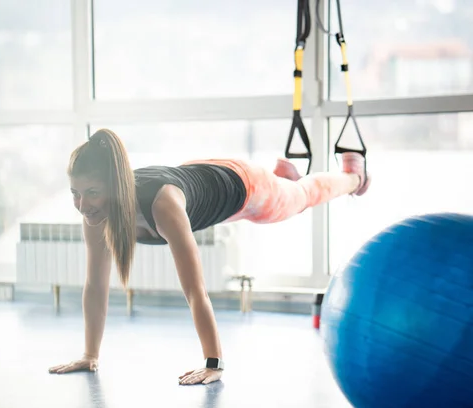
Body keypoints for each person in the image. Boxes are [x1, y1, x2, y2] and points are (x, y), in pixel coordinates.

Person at [48, 128, 371, 385]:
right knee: (289, 191)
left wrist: (213, 362)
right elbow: (95, 286)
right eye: (75, 193)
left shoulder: (163, 206)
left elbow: (195, 289)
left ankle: (354, 176)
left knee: (302, 197)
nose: (82, 204)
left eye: (92, 193)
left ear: (115, 187)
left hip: (248, 188)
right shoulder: (97, 215)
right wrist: (90, 354)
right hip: (203, 174)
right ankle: (285, 178)